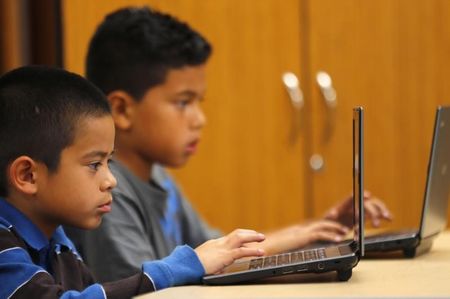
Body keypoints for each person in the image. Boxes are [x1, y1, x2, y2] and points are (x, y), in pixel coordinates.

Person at [66, 6, 392, 282]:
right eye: (183, 102)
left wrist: (317, 232)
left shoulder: (157, 176)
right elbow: (145, 288)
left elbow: (221, 254)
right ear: (122, 110)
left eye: (198, 102)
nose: (199, 119)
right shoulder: (109, 192)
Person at [0, 65, 266, 299]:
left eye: (109, 162)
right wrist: (180, 266)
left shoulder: (56, 239)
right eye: (95, 165)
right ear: (28, 175)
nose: (111, 181)